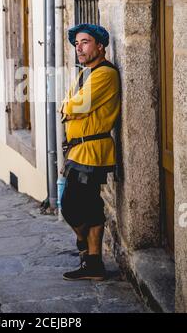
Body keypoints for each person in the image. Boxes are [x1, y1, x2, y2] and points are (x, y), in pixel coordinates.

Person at [60, 23, 120, 281]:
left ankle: (87, 251)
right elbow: (69, 103)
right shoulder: (85, 74)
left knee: (72, 205)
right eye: (77, 44)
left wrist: (68, 106)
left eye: (85, 42)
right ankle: (93, 261)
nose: (79, 48)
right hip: (78, 150)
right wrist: (69, 105)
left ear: (100, 46)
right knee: (86, 204)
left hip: (93, 150)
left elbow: (79, 105)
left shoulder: (105, 73)